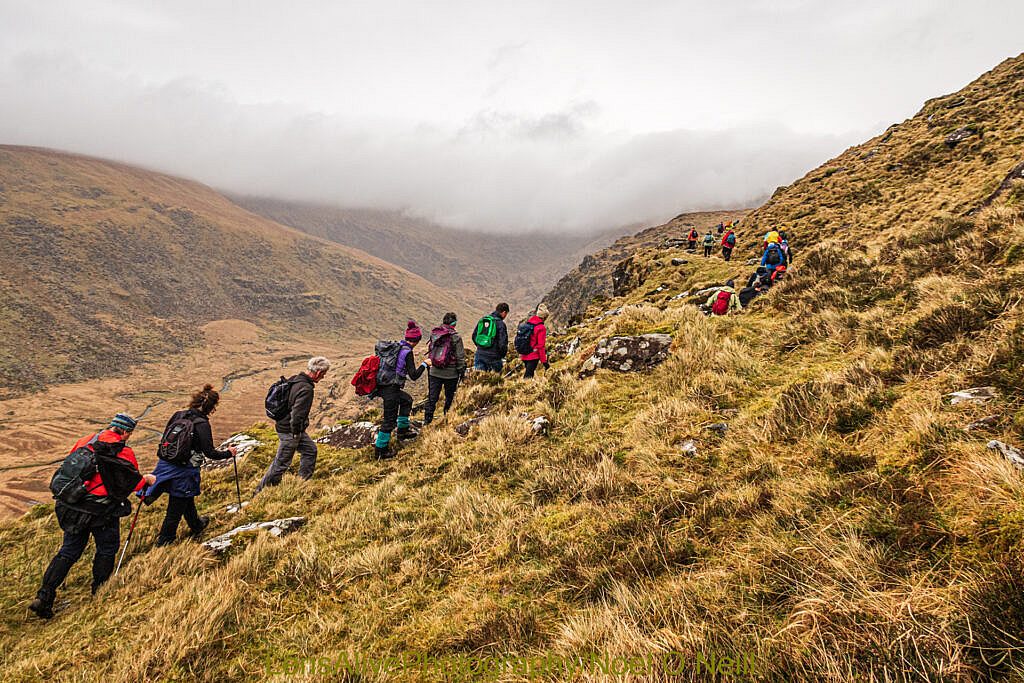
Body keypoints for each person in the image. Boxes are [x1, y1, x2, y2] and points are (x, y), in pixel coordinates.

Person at [30, 414, 155, 619]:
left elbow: (70, 468)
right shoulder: (123, 452)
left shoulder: (86, 440)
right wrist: (147, 480)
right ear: (124, 431)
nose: (129, 437)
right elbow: (131, 482)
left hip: (72, 506)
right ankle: (99, 592)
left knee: (68, 552)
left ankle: (44, 597)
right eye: (130, 433)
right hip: (101, 511)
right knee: (107, 549)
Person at [146, 385, 237, 546]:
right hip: (184, 470)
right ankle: (165, 541)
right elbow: (210, 452)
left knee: (185, 498)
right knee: (176, 506)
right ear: (212, 407)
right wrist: (229, 453)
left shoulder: (179, 415)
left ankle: (196, 524)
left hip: (166, 464)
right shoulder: (202, 424)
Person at [255, 356, 330, 492]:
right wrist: (296, 433)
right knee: (281, 464)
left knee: (310, 450)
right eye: (324, 374)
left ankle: (301, 484)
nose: (323, 377)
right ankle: (261, 492)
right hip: (290, 431)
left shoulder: (296, 379)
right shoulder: (306, 389)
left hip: (287, 427)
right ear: (318, 373)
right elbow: (297, 415)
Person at [374, 322, 428, 458]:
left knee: (406, 400)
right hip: (390, 388)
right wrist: (424, 364)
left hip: (385, 386)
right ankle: (381, 451)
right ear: (417, 340)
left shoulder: (398, 347)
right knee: (389, 421)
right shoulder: (407, 352)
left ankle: (403, 431)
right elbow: (414, 376)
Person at [424, 312, 467, 425]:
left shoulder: (435, 334)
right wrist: (461, 371)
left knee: (432, 398)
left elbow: (431, 351)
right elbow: (460, 356)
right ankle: (446, 418)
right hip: (451, 374)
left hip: (434, 371)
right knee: (449, 396)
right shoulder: (456, 337)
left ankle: (427, 421)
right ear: (454, 323)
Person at [472, 303, 510, 372]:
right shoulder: (500, 324)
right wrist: (501, 355)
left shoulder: (484, 320)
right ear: (504, 312)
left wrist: (480, 347)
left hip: (479, 354)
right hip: (494, 357)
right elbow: (502, 343)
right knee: (494, 380)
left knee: (479, 379)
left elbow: (474, 336)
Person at [519, 304, 550, 379]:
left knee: (529, 373)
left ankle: (525, 387)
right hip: (533, 356)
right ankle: (524, 389)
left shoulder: (529, 323)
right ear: (544, 317)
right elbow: (541, 346)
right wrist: (544, 362)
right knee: (528, 377)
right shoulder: (541, 328)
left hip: (524, 354)